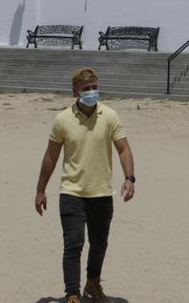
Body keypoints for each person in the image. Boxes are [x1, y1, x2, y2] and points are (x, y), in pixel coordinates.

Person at [35, 67, 136, 303]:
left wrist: (129, 177)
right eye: (86, 89)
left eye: (94, 88)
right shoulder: (62, 119)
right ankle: (72, 293)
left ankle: (93, 282)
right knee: (74, 243)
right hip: (72, 192)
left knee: (99, 242)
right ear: (75, 92)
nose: (91, 92)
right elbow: (50, 157)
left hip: (101, 192)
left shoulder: (110, 116)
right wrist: (40, 190)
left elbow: (124, 148)